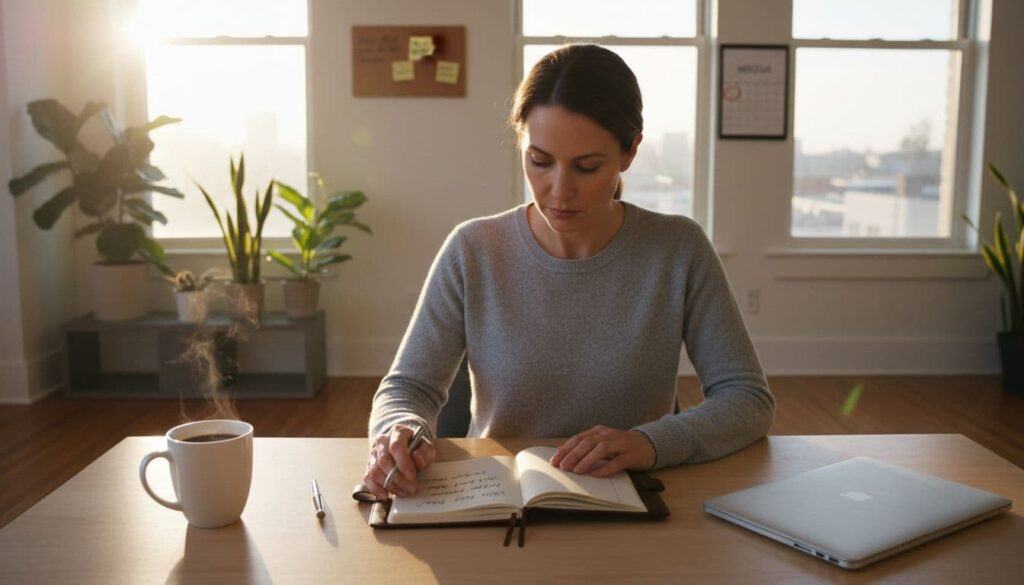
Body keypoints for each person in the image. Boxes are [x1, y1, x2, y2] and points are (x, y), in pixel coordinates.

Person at [362, 44, 775, 500]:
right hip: (497, 504)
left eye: (587, 166)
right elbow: (409, 387)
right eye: (539, 161)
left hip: (636, 502)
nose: (559, 191)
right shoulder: (472, 250)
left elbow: (747, 399)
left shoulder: (678, 250)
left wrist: (649, 443)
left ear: (630, 151)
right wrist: (399, 431)